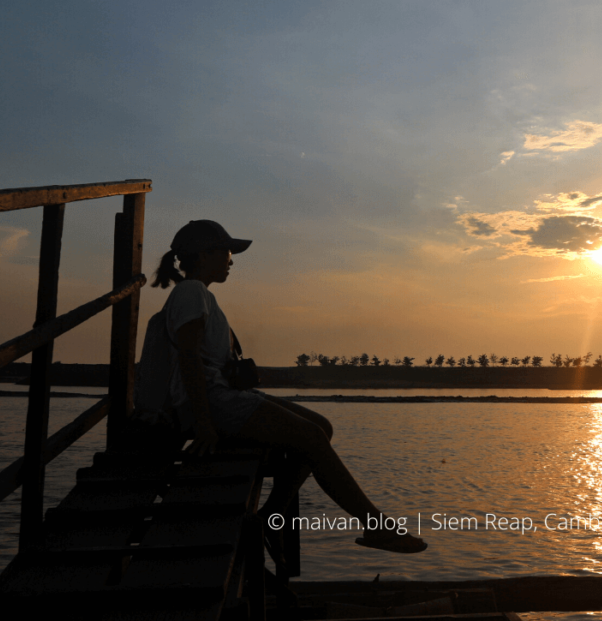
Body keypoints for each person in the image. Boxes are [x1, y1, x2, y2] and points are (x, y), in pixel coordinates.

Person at [151, 219, 425, 554]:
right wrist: (205, 424)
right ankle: (377, 525)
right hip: (211, 402)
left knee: (320, 427)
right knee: (310, 436)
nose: (231, 261)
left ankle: (272, 515)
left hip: (221, 398)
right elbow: (189, 358)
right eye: (227, 252)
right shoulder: (191, 292)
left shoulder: (199, 294)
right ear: (205, 254)